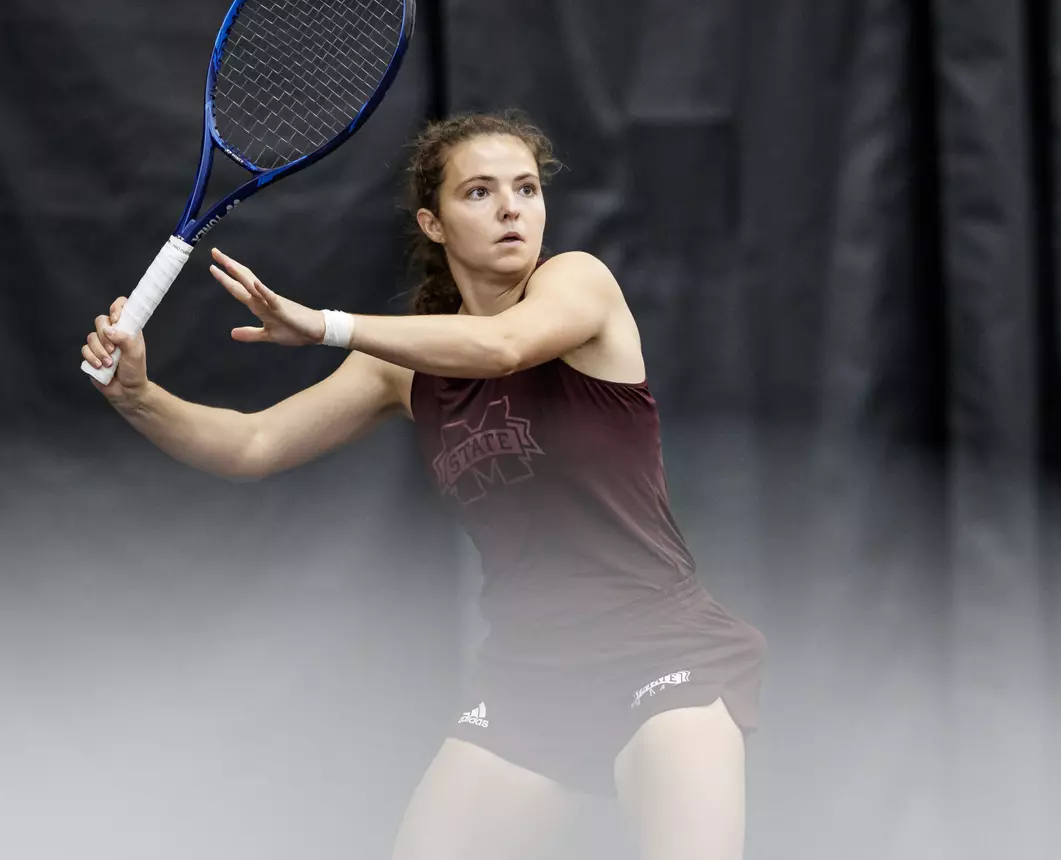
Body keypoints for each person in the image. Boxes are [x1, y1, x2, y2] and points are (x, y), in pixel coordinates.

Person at [81, 110, 766, 860]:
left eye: (527, 188)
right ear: (432, 224)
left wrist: (326, 325)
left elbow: (503, 347)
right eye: (479, 192)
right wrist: (141, 398)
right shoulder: (400, 368)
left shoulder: (581, 285)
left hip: (661, 649)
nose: (512, 208)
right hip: (530, 676)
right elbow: (255, 443)